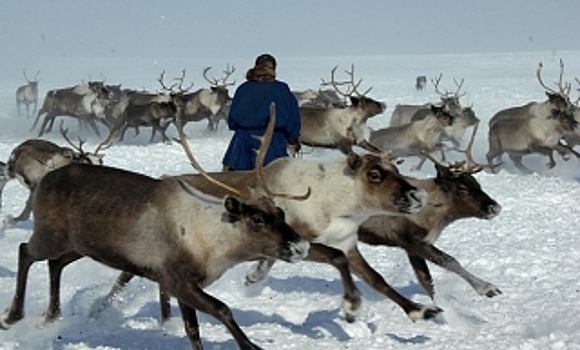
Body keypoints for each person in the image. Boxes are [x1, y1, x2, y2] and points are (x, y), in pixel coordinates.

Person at [222, 53, 301, 171]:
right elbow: (293, 118)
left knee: (237, 183)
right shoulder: (281, 89)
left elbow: (232, 120)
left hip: (242, 142)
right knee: (273, 182)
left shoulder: (243, 88)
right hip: (272, 142)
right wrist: (293, 139)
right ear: (274, 69)